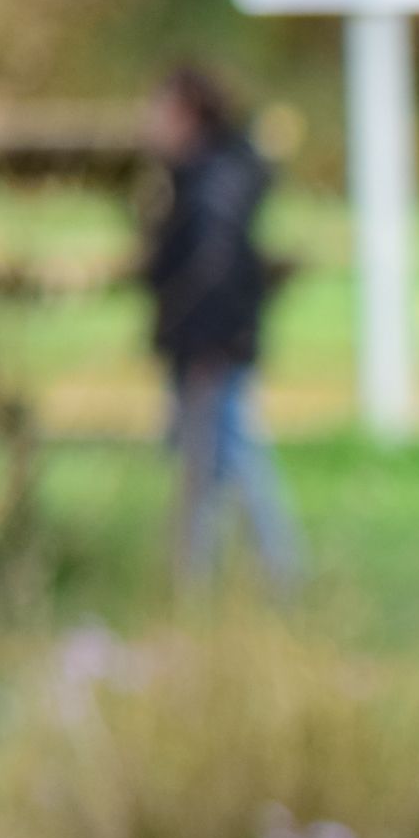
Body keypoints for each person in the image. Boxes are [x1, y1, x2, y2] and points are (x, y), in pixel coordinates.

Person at [140, 62, 301, 589]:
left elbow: (214, 272)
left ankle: (247, 578)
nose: (151, 121)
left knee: (219, 460)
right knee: (221, 458)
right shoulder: (203, 176)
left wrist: (201, 342)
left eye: (161, 110)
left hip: (210, 347)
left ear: (188, 114)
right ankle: (255, 577)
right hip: (212, 343)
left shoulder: (210, 185)